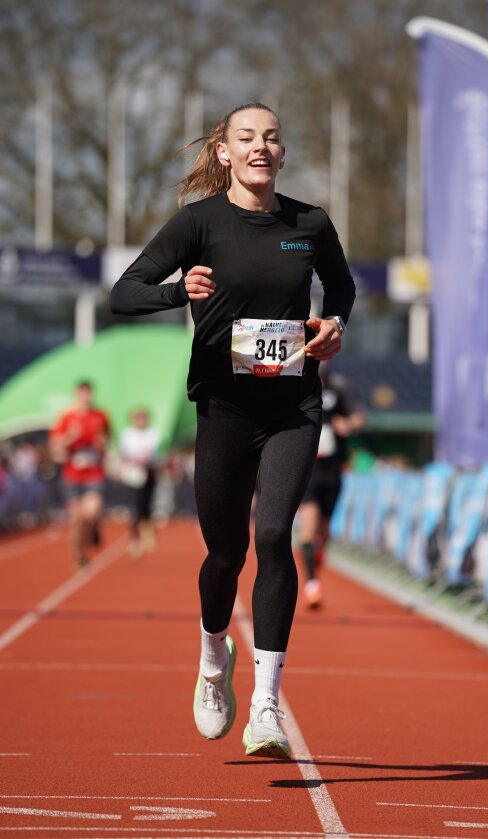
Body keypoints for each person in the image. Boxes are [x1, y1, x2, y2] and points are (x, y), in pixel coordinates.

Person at [110, 102, 355, 760]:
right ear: (224, 152)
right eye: (247, 138)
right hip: (223, 408)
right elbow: (123, 292)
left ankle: (267, 704)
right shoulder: (200, 222)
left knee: (274, 536)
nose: (260, 147)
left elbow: (341, 288)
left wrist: (334, 325)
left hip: (293, 405)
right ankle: (213, 657)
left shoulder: (309, 223)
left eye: (271, 138)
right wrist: (177, 291)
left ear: (282, 153)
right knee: (225, 553)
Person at [298, 362, 365, 608]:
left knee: (324, 532)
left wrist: (348, 425)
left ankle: (315, 567)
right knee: (309, 526)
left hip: (333, 469)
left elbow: (359, 417)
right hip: (308, 469)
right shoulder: (298, 383)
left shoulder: (339, 387)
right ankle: (311, 584)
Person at [49, 381, 111, 567]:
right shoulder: (67, 417)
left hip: (94, 474)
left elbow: (107, 441)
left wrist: (102, 444)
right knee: (76, 520)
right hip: (72, 476)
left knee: (90, 513)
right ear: (76, 394)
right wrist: (70, 437)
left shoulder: (100, 416)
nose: (86, 396)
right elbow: (55, 446)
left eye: (88, 393)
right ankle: (80, 557)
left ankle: (93, 526)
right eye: (82, 393)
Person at [119, 407, 161, 559]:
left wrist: (147, 460)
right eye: (137, 417)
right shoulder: (127, 435)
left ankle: (147, 531)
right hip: (133, 476)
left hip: (149, 475)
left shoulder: (153, 434)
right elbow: (124, 455)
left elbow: (157, 454)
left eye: (143, 417)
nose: (140, 420)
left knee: (146, 506)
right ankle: (135, 540)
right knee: (136, 507)